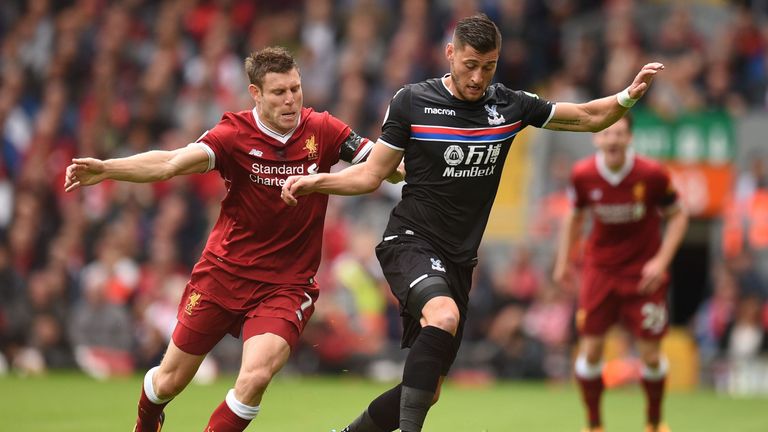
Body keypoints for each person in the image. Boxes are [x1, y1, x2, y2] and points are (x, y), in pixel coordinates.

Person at [281, 13, 665, 432]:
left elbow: (590, 117)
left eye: (489, 66)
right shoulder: (411, 101)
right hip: (409, 241)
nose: (479, 77)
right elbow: (373, 174)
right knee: (443, 316)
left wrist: (627, 95)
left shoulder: (510, 105)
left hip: (459, 260)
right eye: (470, 65)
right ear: (450, 54)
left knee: (428, 390)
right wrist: (319, 181)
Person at [64, 46, 396, 432]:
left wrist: (404, 161)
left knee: (254, 378)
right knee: (168, 381)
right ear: (255, 93)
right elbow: (170, 162)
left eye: (296, 88)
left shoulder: (322, 129)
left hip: (286, 285)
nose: (291, 100)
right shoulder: (233, 134)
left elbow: (381, 167)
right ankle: (148, 418)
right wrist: (107, 169)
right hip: (223, 274)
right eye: (278, 92)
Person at [552, 114, 688, 432]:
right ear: (596, 138)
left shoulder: (651, 174)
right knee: (591, 351)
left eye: (620, 134)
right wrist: (562, 263)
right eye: (607, 134)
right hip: (600, 271)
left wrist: (662, 261)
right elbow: (574, 218)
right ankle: (594, 424)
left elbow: (679, 215)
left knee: (651, 356)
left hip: (644, 274)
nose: (613, 139)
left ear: (630, 139)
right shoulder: (583, 174)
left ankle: (654, 422)